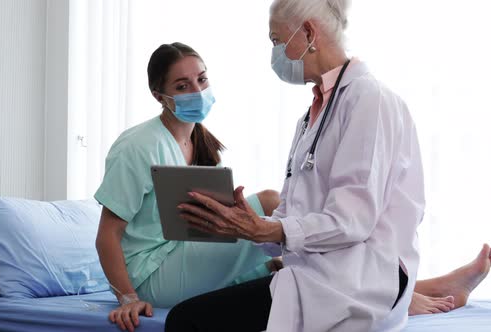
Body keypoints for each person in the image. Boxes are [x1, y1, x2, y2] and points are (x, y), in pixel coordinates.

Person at [165, 0, 436, 330]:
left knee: (186, 321)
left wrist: (269, 229)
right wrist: (243, 226)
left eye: (276, 40)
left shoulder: (370, 100)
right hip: (317, 273)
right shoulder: (310, 117)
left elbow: (352, 221)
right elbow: (292, 216)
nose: (274, 53)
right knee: (194, 315)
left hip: (359, 279)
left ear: (308, 32)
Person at [94, 42, 283, 332]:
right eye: (182, 86)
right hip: (148, 276)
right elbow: (107, 234)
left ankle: (283, 272)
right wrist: (127, 298)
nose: (197, 91)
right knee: (272, 202)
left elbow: (206, 230)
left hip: (180, 257)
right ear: (160, 96)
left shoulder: (201, 144)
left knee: (272, 238)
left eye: (201, 79)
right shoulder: (138, 146)